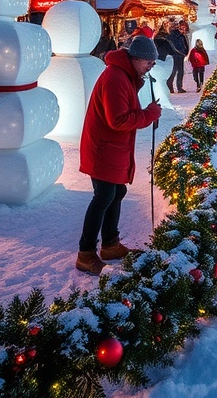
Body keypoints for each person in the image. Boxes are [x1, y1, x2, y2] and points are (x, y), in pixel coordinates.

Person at [76, 35, 162, 275]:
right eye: (149, 62)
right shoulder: (115, 78)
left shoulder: (124, 75)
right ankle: (85, 254)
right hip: (104, 147)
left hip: (112, 147)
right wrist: (149, 114)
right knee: (103, 195)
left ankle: (111, 244)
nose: (151, 67)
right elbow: (118, 120)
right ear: (135, 59)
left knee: (117, 191)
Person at [168, 20, 190, 93]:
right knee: (173, 71)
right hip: (175, 55)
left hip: (181, 55)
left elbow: (185, 44)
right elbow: (173, 44)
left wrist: (185, 52)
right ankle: (170, 86)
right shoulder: (173, 34)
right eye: (182, 27)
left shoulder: (182, 35)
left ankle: (179, 87)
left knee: (180, 72)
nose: (183, 29)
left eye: (185, 28)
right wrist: (179, 51)